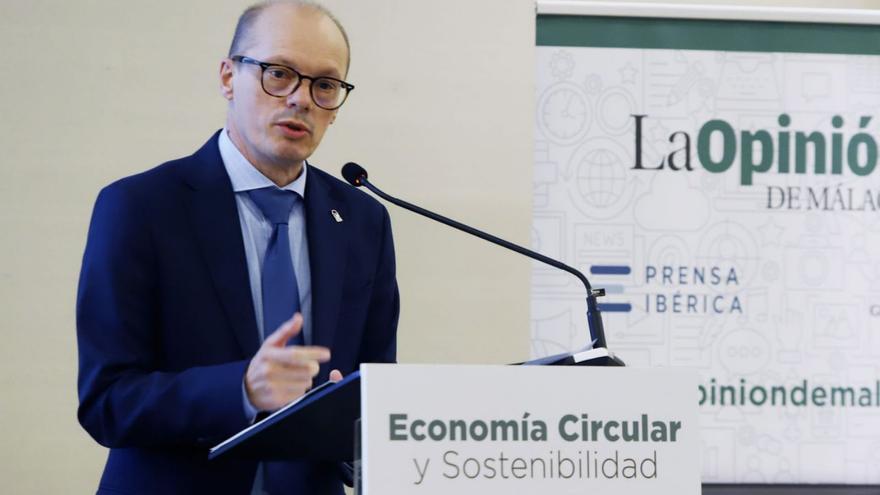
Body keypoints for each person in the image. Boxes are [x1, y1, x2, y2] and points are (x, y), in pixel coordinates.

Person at [75, 1, 399, 494]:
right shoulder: (141, 207)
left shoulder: (362, 220)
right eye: (278, 73)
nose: (300, 99)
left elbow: (375, 388)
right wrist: (242, 389)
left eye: (325, 85)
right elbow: (106, 401)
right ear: (228, 77)